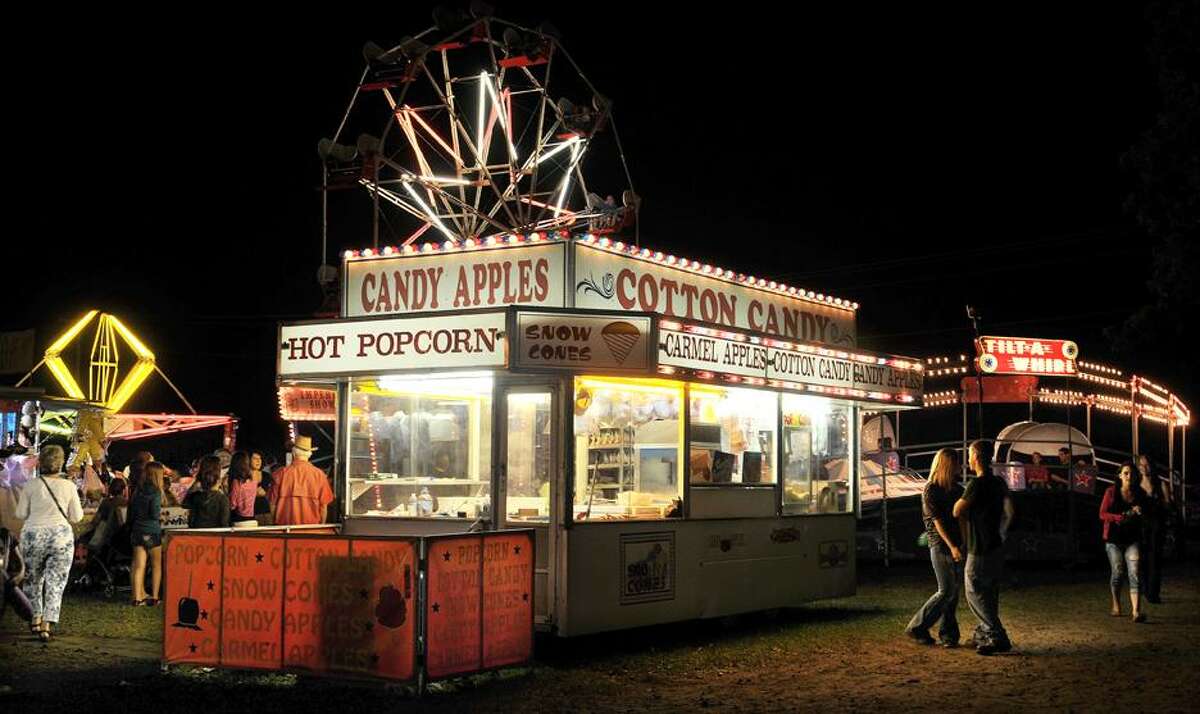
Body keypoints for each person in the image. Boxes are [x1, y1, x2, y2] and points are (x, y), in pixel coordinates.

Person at [15, 445, 83, 641]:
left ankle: (35, 618)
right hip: (60, 537)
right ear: (61, 463)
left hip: (33, 535)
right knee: (56, 582)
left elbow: (20, 513)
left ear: (40, 462)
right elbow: (77, 517)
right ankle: (47, 624)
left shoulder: (31, 485)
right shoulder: (69, 486)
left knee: (33, 579)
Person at [953, 439, 1014, 655]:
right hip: (997, 545)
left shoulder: (976, 484)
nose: (968, 459)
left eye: (970, 454)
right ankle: (983, 634)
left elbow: (957, 510)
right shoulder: (999, 482)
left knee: (974, 590)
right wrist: (1002, 532)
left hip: (979, 545)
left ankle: (997, 635)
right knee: (990, 592)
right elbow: (1010, 512)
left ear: (977, 457)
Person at [905, 448, 965, 647]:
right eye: (956, 462)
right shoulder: (931, 489)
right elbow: (937, 521)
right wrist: (953, 546)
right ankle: (918, 627)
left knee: (952, 592)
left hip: (954, 544)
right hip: (940, 545)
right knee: (946, 590)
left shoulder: (956, 489)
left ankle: (948, 634)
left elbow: (960, 518)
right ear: (948, 465)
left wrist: (961, 543)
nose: (959, 466)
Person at [1100, 462, 1146, 621]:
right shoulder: (1111, 492)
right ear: (1119, 475)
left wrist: (1139, 511)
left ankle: (1136, 612)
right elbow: (1102, 514)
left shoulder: (1139, 493)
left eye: (1132, 473)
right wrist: (1118, 517)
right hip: (1113, 540)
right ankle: (1116, 603)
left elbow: (1145, 512)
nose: (1129, 476)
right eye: (1125, 473)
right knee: (1118, 573)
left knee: (1134, 573)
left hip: (1132, 539)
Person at [269, 436, 333, 526]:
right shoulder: (320, 475)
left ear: (293, 453)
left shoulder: (280, 474)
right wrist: (321, 526)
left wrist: (274, 525)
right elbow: (323, 507)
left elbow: (272, 504)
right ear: (310, 454)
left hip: (285, 529)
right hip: (311, 529)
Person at [129, 461, 166, 606]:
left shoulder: (137, 491)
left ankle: (137, 598)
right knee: (156, 565)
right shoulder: (156, 492)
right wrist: (161, 517)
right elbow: (154, 513)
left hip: (137, 531)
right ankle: (155, 597)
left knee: (139, 566)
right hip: (151, 531)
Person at [1136, 454, 1168, 604]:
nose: (1144, 468)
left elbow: (1167, 504)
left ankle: (1153, 592)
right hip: (1141, 526)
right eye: (1141, 465)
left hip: (1156, 526)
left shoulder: (1159, 483)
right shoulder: (1136, 484)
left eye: (1146, 465)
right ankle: (1144, 589)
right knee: (1141, 559)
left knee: (1154, 559)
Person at [184, 456, 231, 529]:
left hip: (196, 537)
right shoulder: (222, 499)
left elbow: (185, 505)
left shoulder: (195, 497)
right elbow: (224, 525)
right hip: (215, 538)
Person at [226, 451, 256, 523]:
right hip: (251, 516)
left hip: (238, 518)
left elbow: (233, 504)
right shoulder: (253, 480)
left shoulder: (237, 482)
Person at [250, 451, 273, 524]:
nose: (258, 461)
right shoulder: (244, 475)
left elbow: (262, 493)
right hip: (249, 512)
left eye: (260, 459)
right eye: (255, 458)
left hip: (265, 511)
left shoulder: (266, 475)